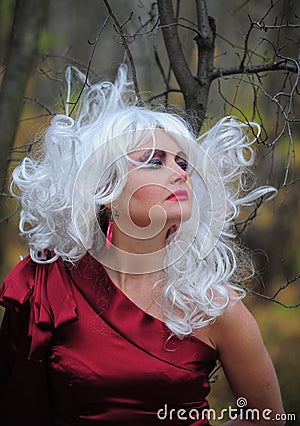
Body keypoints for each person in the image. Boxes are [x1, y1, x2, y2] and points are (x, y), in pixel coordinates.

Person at [0, 65, 285, 425]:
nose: (181, 172)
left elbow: (268, 418)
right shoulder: (45, 289)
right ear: (107, 191)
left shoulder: (211, 305)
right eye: (154, 161)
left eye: (183, 163)